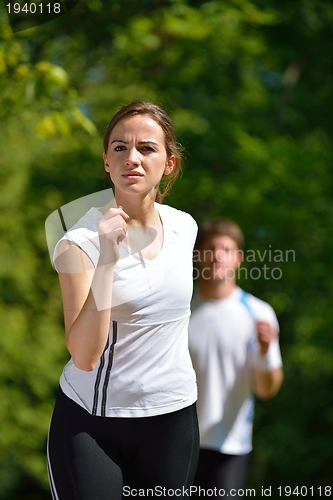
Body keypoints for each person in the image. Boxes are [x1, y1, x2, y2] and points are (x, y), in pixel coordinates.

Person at [47, 101, 199, 500]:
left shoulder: (185, 227)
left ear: (168, 163)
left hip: (173, 418)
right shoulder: (78, 243)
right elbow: (84, 355)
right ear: (106, 162)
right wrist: (107, 262)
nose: (132, 158)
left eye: (147, 148)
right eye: (119, 148)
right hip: (93, 423)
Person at [189, 218, 283, 499]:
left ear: (238, 259)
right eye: (210, 248)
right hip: (179, 445)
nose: (218, 255)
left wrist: (265, 353)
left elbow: (267, 390)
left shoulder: (259, 313)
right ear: (198, 257)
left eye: (226, 249)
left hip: (231, 447)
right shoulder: (178, 311)